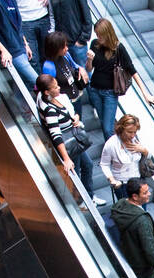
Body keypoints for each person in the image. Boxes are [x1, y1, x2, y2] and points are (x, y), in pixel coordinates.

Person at [34, 72, 105, 206]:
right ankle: (80, 201)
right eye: (55, 87)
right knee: (77, 170)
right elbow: (56, 135)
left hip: (71, 137)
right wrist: (66, 158)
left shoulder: (43, 97)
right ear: (46, 92)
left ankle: (89, 196)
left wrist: (74, 118)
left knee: (88, 165)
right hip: (69, 143)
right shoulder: (49, 109)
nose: (59, 88)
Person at [86, 16, 154, 140]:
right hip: (95, 90)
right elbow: (89, 69)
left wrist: (145, 94)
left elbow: (132, 71)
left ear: (108, 34)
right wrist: (89, 60)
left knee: (108, 128)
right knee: (104, 125)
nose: (98, 38)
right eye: (97, 35)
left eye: (101, 35)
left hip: (110, 93)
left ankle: (115, 154)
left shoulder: (118, 48)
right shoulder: (95, 44)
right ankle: (109, 152)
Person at [44, 0, 92, 69]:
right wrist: (52, 34)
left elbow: (87, 18)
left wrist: (81, 40)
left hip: (76, 43)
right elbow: (52, 16)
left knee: (84, 76)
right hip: (61, 44)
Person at [100, 113, 152, 199]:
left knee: (142, 211)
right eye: (129, 132)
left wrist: (143, 150)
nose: (132, 135)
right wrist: (112, 179)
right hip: (123, 184)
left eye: (135, 132)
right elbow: (104, 164)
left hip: (138, 181)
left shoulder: (135, 140)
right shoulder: (111, 144)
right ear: (121, 129)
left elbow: (148, 156)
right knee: (128, 210)